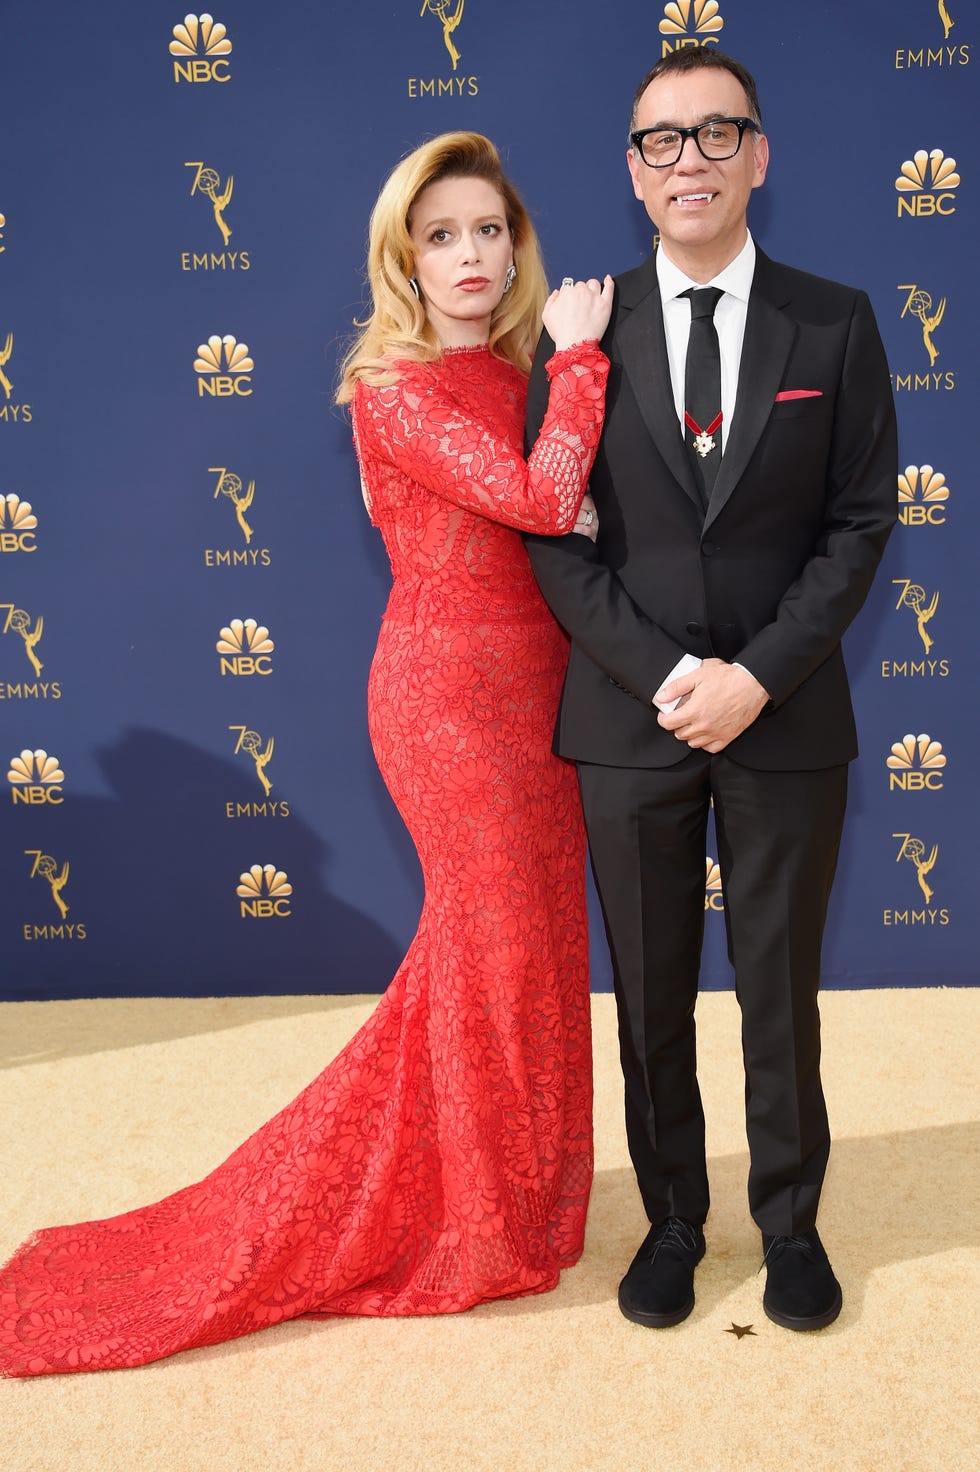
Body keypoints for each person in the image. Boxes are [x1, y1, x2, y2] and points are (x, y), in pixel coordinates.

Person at [0, 132, 613, 1377]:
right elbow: (547, 501)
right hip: (446, 701)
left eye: (487, 230)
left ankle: (530, 1200)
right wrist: (587, 361)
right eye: (440, 236)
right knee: (489, 946)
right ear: (402, 257)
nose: (470, 256)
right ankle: (468, 1220)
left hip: (544, 695)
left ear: (515, 241)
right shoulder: (396, 389)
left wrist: (559, 419)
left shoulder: (509, 375)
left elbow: (547, 501)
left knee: (526, 944)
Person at [525, 50, 897, 1333]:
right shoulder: (574, 334)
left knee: (779, 984)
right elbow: (552, 534)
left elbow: (858, 522)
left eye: (716, 133)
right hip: (629, 719)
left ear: (758, 156)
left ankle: (788, 1220)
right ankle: (674, 1217)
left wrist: (752, 675)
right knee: (651, 987)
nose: (689, 159)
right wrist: (674, 674)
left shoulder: (832, 319)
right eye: (661, 141)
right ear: (631, 174)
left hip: (785, 712)